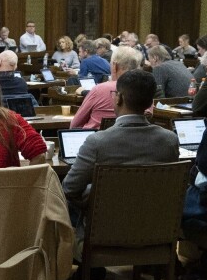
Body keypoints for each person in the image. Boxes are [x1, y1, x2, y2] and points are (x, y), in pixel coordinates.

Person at [61, 69, 179, 258]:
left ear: (119, 98)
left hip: (102, 235)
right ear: (151, 102)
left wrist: (92, 194)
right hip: (154, 233)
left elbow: (69, 189)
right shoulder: (169, 140)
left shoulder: (97, 142)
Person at [70, 46, 143, 129]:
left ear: (115, 66)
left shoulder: (99, 89)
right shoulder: (145, 91)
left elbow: (74, 125)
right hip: (134, 136)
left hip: (97, 136)